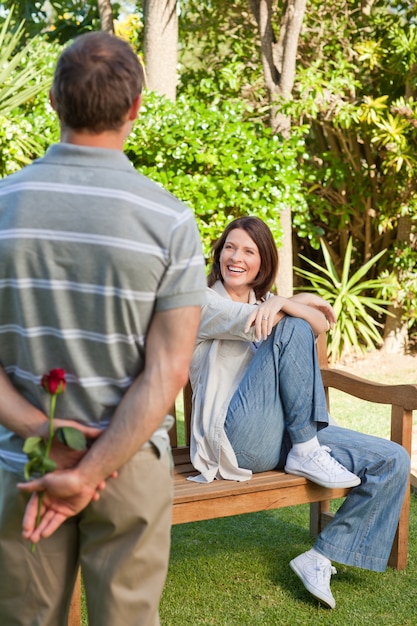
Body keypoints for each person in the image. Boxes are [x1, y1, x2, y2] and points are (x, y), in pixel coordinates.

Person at [0, 32, 207, 626]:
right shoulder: (170, 221)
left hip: (25, 465)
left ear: (52, 100)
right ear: (136, 108)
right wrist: (91, 471)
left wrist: (48, 436)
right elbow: (167, 372)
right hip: (131, 466)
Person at [189, 216, 410, 609]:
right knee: (292, 327)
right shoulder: (203, 302)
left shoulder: (265, 304)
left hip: (286, 434)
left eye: (248, 251)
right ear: (219, 253)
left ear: (263, 262)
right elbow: (297, 321)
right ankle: (308, 451)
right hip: (236, 441)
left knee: (393, 460)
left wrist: (283, 301)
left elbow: (326, 319)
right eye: (229, 247)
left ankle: (319, 556)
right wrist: (290, 303)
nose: (236, 258)